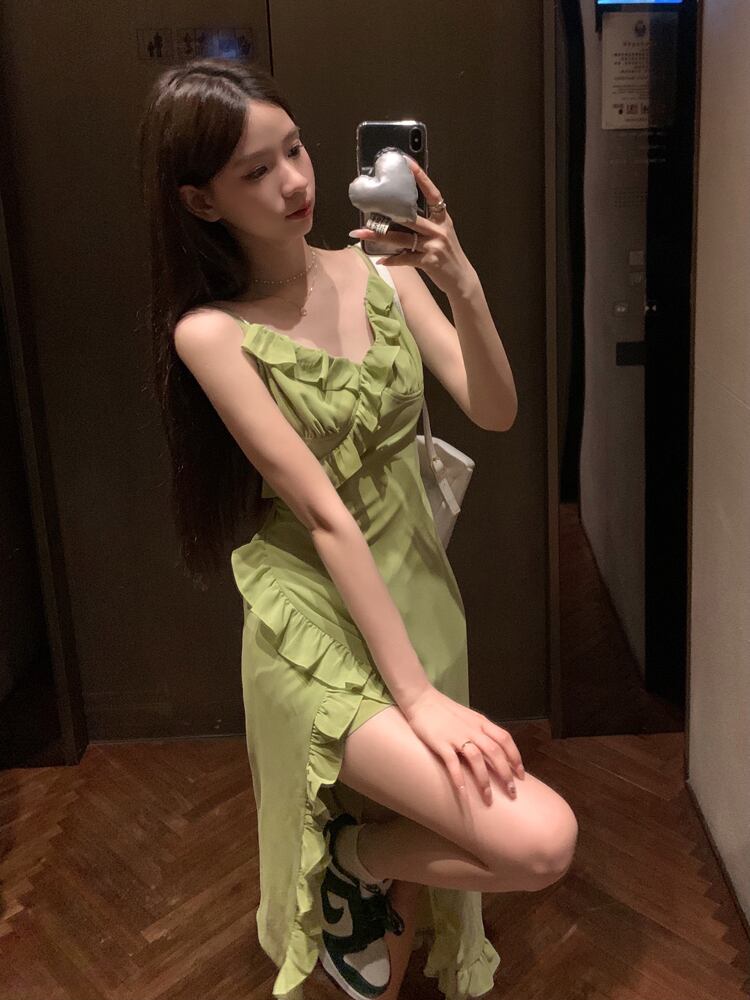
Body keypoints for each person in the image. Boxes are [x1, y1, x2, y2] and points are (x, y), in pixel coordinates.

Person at [137, 57, 578, 1000]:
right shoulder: (211, 334)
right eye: (256, 171)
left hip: (415, 592)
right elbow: (322, 513)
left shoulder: (379, 269)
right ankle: (353, 862)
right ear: (201, 202)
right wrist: (416, 699)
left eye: (294, 149)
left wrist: (460, 281)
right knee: (537, 839)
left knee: (409, 908)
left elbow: (494, 410)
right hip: (313, 619)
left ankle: (357, 859)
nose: (293, 181)